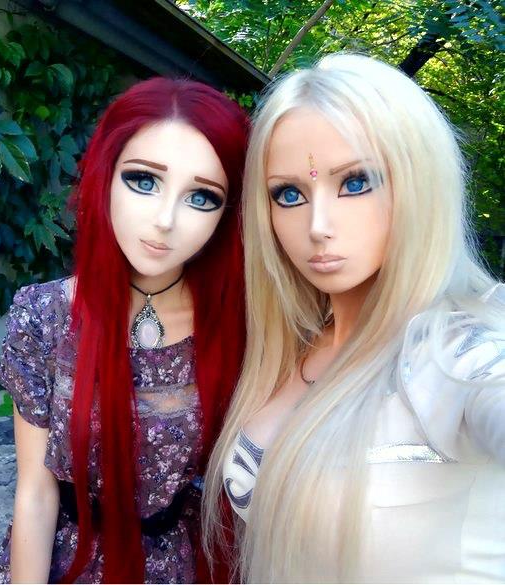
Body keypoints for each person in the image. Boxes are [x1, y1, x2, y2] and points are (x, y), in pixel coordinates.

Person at [203, 53, 505, 583]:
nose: (318, 225)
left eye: (356, 182)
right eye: (289, 194)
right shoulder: (291, 349)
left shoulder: (458, 352)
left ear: (419, 182)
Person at [0, 77, 249, 583]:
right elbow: (36, 492)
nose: (165, 220)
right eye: (144, 181)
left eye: (202, 197)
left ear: (229, 213)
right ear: (105, 176)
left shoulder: (239, 326)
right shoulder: (43, 315)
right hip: (70, 563)